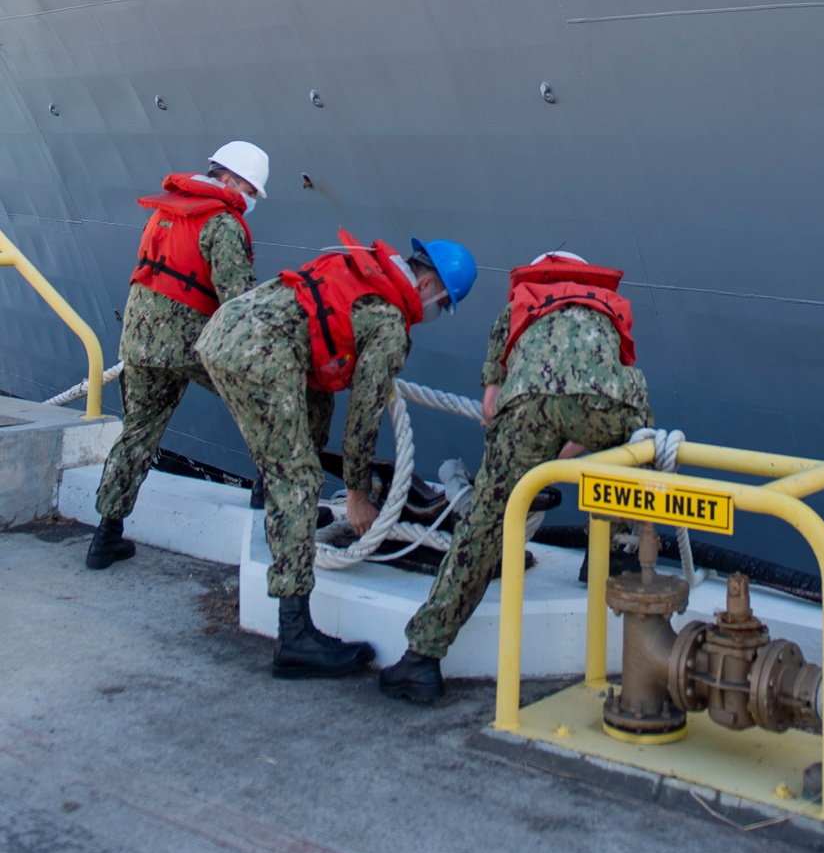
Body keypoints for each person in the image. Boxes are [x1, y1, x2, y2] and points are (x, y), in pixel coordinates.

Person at [195, 229, 478, 679]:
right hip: (258, 354)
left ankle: (274, 503)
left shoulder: (363, 271)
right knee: (299, 479)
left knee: (315, 407)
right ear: (427, 287)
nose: (435, 315)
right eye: (442, 306)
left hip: (228, 331)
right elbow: (364, 413)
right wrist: (357, 494)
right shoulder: (389, 323)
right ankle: (295, 637)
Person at [379, 250, 653, 703]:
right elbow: (606, 383)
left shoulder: (518, 305)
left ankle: (422, 659)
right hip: (606, 405)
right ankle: (613, 551)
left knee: (483, 525)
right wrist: (575, 444)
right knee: (638, 441)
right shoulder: (604, 305)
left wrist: (527, 440)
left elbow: (491, 403)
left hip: (528, 407)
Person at [85, 141, 270, 570]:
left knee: (137, 434)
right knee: (263, 402)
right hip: (189, 342)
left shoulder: (166, 211)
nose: (250, 199)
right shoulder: (222, 223)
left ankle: (106, 534)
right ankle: (274, 495)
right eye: (249, 189)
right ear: (227, 179)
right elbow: (237, 303)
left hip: (138, 338)